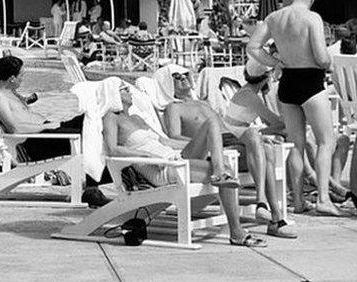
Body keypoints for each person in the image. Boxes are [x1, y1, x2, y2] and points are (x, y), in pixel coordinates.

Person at [103, 81, 267, 248]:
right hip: (160, 167)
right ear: (114, 94)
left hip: (173, 157)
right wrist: (144, 154)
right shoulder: (111, 118)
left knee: (212, 123)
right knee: (228, 170)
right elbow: (112, 149)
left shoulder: (137, 118)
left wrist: (203, 142)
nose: (130, 92)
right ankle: (237, 232)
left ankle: (219, 173)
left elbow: (165, 141)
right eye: (124, 90)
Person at [247, 0, 341, 216]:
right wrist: (329, 62)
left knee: (296, 145)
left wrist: (275, 61)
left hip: (287, 81)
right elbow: (320, 56)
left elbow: (253, 47)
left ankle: (298, 201)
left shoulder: (275, 17)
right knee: (325, 142)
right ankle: (322, 198)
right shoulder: (312, 18)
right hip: (311, 80)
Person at [162, 67, 295, 236]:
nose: (183, 78)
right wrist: (209, 142)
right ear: (168, 84)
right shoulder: (174, 107)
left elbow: (226, 127)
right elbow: (174, 136)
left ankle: (268, 210)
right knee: (259, 141)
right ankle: (271, 214)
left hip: (230, 138)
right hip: (215, 148)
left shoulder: (204, 103)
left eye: (185, 74)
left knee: (264, 145)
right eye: (176, 77)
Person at [0, 55, 108, 207]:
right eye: (21, 75)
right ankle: (93, 188)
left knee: (93, 119)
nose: (23, 79)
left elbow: (22, 115)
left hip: (46, 133)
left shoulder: (11, 94)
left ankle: (101, 181)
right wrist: (46, 126)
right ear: (12, 78)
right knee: (89, 135)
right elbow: (15, 128)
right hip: (35, 144)